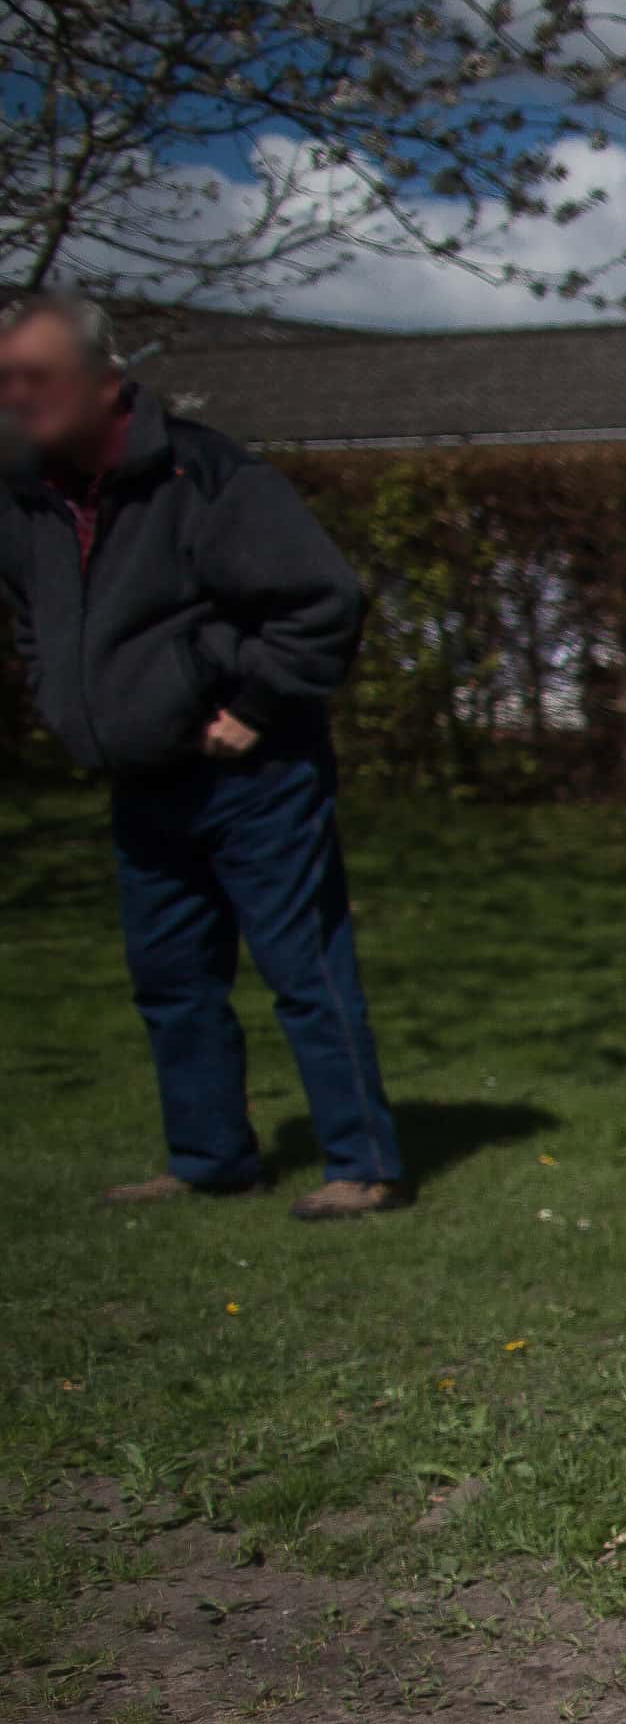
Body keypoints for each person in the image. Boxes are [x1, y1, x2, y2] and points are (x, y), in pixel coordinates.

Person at [0, 291, 405, 1216]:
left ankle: (361, 1163)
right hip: (141, 778)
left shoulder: (205, 476)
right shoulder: (26, 499)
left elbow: (322, 599)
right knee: (171, 978)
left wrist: (253, 706)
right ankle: (208, 1157)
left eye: (37, 378)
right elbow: (34, 620)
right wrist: (64, 703)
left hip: (252, 774)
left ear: (105, 381)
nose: (17, 399)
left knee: (303, 967)